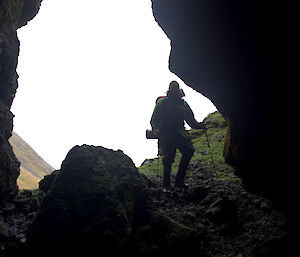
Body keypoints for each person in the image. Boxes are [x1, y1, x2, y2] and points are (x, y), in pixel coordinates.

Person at [150, 81, 205, 192]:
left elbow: (191, 121)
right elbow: (154, 119)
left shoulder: (182, 103)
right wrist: (155, 128)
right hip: (166, 133)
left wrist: (200, 126)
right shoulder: (163, 103)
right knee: (168, 158)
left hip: (179, 133)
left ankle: (177, 182)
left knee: (188, 151)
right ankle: (167, 185)